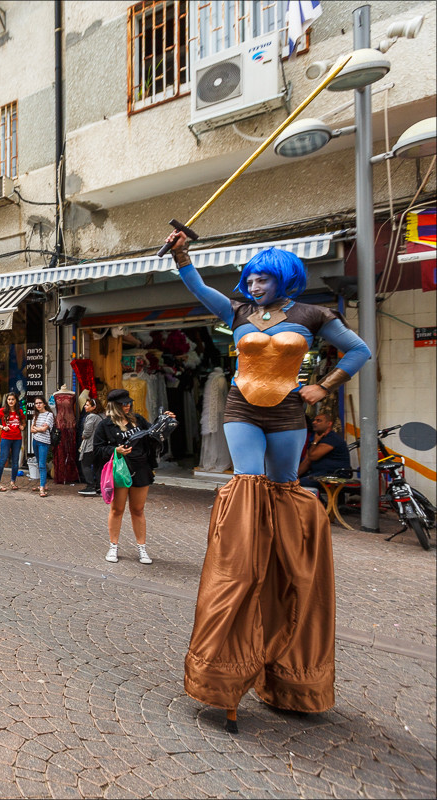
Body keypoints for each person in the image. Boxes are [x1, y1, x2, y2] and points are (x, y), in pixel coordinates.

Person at [166, 233, 371, 732]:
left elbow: (359, 351)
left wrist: (322, 386)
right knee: (249, 489)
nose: (255, 285)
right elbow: (197, 288)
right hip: (242, 409)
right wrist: (181, 258)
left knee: (284, 495)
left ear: (285, 280)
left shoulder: (312, 316)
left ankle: (282, 582)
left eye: (264, 278)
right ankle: (243, 572)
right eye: (251, 278)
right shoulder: (235, 311)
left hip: (289, 413)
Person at [94, 389, 167, 566]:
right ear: (114, 405)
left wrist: (165, 420)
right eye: (123, 403)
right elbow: (96, 450)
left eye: (128, 403)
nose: (127, 406)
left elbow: (153, 436)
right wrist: (115, 450)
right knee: (117, 509)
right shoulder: (105, 425)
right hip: (120, 470)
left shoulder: (138, 420)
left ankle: (142, 548)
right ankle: (113, 546)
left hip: (141, 468)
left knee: (138, 509)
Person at [298, 412, 351, 488]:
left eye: (318, 421)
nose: (314, 422)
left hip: (334, 474)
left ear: (329, 424)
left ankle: (319, 500)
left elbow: (313, 456)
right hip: (319, 473)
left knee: (302, 483)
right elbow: (307, 460)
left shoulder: (332, 438)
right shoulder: (317, 438)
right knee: (295, 483)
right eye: (314, 420)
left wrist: (315, 442)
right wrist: (292, 479)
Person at [0, 391, 25, 492]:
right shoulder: (2, 411)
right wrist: (3, 427)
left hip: (17, 439)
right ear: (7, 400)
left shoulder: (20, 411)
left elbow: (23, 422)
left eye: (13, 399)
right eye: (9, 399)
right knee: (3, 459)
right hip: (6, 438)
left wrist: (22, 426)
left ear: (16, 401)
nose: (11, 401)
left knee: (15, 461)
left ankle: (13, 482)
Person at [28, 395, 54, 497]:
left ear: (44, 404)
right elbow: (31, 430)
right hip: (35, 441)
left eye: (40, 403)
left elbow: (44, 429)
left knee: (42, 464)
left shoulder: (49, 415)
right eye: (36, 403)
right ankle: (44, 484)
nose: (38, 405)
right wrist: (39, 428)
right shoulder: (36, 415)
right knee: (39, 463)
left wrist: (37, 429)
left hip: (44, 442)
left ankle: (42, 488)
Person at [77, 397, 103, 496]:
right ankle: (99, 487)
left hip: (90, 445)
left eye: (87, 405)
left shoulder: (91, 417)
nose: (85, 407)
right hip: (98, 445)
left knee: (85, 464)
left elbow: (87, 432)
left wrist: (83, 435)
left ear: (94, 407)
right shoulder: (102, 416)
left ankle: (90, 486)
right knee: (98, 467)